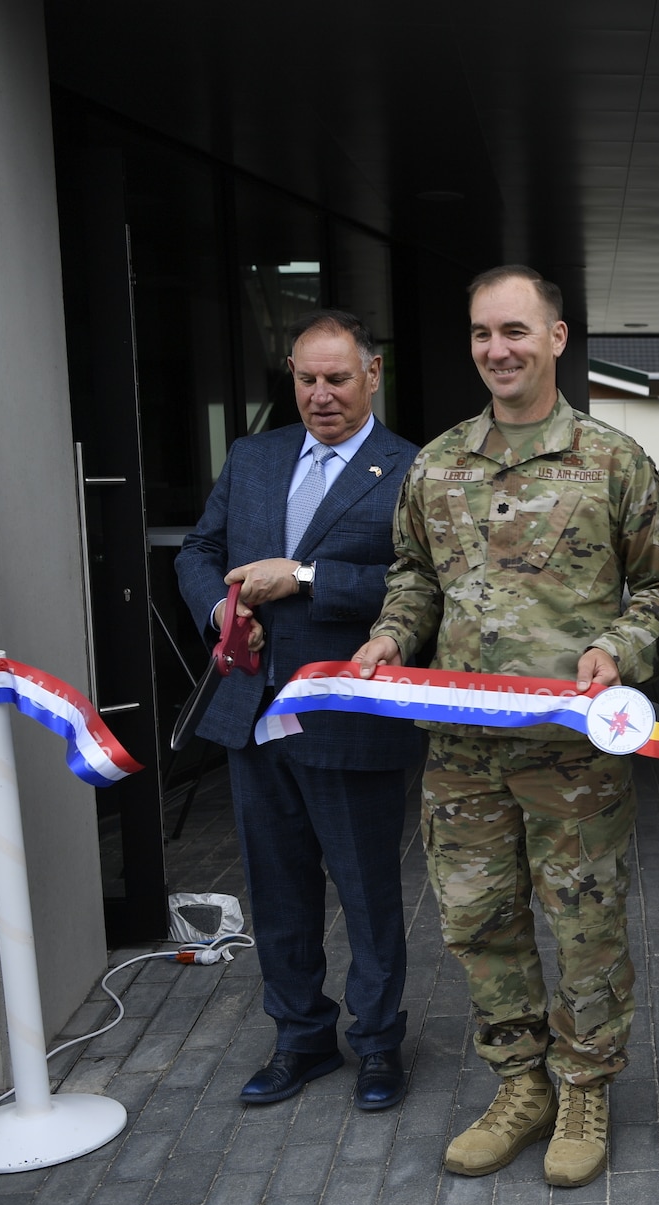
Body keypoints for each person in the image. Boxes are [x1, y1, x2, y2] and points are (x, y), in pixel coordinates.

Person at [353, 265, 659, 1188]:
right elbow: (414, 574)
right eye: (483, 333)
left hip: (572, 755)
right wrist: (388, 636)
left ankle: (583, 1088)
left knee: (584, 924)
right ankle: (520, 1082)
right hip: (460, 752)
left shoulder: (613, 461)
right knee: (477, 921)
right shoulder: (439, 462)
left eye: (517, 331)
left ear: (558, 338)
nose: (499, 349)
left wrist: (619, 645)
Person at [176, 310, 424, 1111]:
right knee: (277, 890)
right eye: (306, 379)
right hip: (253, 716)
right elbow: (199, 551)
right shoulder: (255, 456)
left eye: (338, 379)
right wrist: (218, 609)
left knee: (366, 891)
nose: (320, 395)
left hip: (350, 716)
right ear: (291, 374)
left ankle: (380, 1043)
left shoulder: (412, 468)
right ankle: (300, 1039)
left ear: (373, 374)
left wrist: (309, 578)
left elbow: (423, 583)